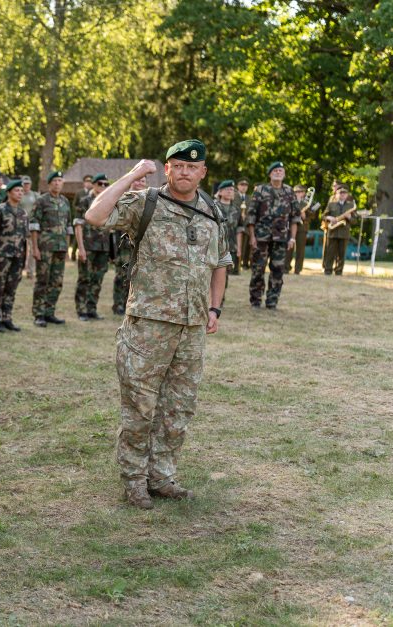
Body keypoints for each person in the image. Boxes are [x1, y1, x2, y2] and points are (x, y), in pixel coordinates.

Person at [85, 139, 231, 509]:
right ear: (167, 169)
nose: (184, 171)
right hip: (148, 326)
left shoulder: (213, 212)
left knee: (179, 408)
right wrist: (133, 175)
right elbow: (96, 216)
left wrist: (214, 310)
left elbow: (220, 265)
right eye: (177, 165)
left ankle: (162, 476)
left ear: (203, 172)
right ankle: (134, 480)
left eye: (191, 166)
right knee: (140, 406)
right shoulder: (145, 203)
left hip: (192, 327)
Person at [247, 162, 301, 309]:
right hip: (261, 238)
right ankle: (255, 301)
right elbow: (251, 215)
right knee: (258, 269)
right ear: (270, 174)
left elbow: (295, 218)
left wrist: (293, 238)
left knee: (278, 270)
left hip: (281, 238)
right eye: (275, 170)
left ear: (284, 174)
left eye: (280, 170)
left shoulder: (290, 192)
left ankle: (272, 301)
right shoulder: (260, 190)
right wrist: (252, 236)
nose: (278, 172)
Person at [30, 171, 71, 327]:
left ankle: (49, 312)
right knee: (43, 281)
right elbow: (34, 226)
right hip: (45, 247)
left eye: (60, 180)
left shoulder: (65, 202)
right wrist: (35, 248)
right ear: (49, 184)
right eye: (54, 180)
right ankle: (38, 314)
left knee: (57, 281)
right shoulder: (41, 201)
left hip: (60, 248)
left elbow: (69, 227)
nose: (57, 183)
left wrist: (67, 248)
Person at [0, 179, 27, 332]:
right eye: (17, 190)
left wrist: (25, 257)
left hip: (18, 256)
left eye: (21, 191)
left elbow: (25, 237)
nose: (20, 193)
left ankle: (7, 318)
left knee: (11, 288)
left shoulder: (23, 212)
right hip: (2, 256)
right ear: (9, 192)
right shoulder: (1, 209)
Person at [74, 173, 111, 321]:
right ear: (94, 185)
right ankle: (81, 309)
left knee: (98, 279)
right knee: (84, 278)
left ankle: (91, 309)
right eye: (100, 183)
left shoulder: (109, 202)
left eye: (106, 184)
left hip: (103, 247)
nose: (103, 186)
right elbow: (78, 225)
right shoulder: (84, 201)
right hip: (88, 246)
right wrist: (80, 248)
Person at [110, 174, 147, 316]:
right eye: (138, 180)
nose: (140, 183)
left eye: (143, 181)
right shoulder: (123, 198)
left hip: (140, 246)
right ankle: (118, 304)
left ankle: (129, 304)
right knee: (122, 275)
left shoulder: (148, 201)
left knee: (136, 276)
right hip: (124, 244)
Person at [215, 179, 244, 298]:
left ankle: (219, 299)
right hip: (214, 245)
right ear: (220, 192)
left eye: (232, 190)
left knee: (224, 274)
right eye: (227, 189)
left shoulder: (237, 210)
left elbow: (239, 230)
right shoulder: (213, 206)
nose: (230, 192)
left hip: (229, 246)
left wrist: (239, 248)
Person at [322, 185, 356, 275]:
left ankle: (339, 271)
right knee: (330, 253)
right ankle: (328, 270)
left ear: (347, 195)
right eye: (340, 193)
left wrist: (349, 218)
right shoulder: (331, 204)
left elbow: (355, 221)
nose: (342, 195)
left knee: (341, 254)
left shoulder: (351, 205)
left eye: (344, 193)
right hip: (332, 231)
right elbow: (323, 216)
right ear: (336, 194)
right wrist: (329, 217)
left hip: (344, 233)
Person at [285, 185, 315, 274]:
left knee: (300, 250)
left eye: (300, 192)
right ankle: (286, 267)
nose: (298, 193)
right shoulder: (290, 201)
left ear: (304, 193)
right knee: (288, 248)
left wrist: (305, 216)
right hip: (290, 227)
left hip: (302, 227)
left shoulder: (308, 203)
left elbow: (313, 215)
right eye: (296, 192)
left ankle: (298, 269)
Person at [19, 175, 39, 278]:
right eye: (24, 184)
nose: (26, 185)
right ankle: (19, 269)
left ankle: (30, 271)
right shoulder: (18, 194)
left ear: (30, 184)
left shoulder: (35, 195)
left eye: (28, 184)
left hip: (31, 224)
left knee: (32, 248)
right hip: (20, 224)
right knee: (21, 248)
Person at [234, 179, 250, 272]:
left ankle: (242, 264)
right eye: (242, 185)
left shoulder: (249, 198)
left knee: (244, 246)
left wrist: (246, 219)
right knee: (235, 246)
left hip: (246, 225)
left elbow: (251, 211)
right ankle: (234, 265)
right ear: (238, 186)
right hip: (236, 225)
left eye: (245, 185)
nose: (244, 187)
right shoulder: (234, 196)